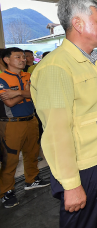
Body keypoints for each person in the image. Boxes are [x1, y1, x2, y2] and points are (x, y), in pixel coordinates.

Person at [31, 0, 97, 227]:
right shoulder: (56, 68)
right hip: (84, 167)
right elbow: (56, 133)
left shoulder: (93, 62)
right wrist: (71, 184)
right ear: (78, 24)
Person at [0, 47, 49, 209]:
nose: (23, 60)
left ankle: (32, 179)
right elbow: (9, 102)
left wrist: (17, 92)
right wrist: (26, 92)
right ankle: (6, 191)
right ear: (7, 60)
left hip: (31, 120)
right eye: (18, 57)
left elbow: (39, 93)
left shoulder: (29, 75)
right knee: (10, 159)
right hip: (11, 124)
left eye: (23, 57)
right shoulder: (2, 78)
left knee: (32, 152)